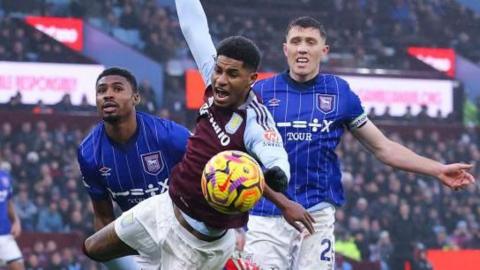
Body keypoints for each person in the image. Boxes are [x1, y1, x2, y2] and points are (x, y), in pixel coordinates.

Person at [173, 3, 476, 269]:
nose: (302, 48)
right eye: (296, 41)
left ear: (323, 50)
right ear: (285, 49)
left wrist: (437, 169)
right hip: (267, 215)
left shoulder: (339, 92)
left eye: (310, 42)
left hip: (316, 216)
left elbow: (382, 148)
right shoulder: (259, 93)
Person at [82, 28, 315, 269]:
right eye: (219, 70)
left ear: (251, 79)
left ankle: (230, 262)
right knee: (94, 248)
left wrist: (280, 181)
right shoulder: (213, 85)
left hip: (196, 244)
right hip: (163, 209)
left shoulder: (254, 121)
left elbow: (274, 153)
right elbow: (195, 31)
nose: (221, 79)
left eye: (233, 74)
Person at [77, 67, 190, 269]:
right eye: (101, 91)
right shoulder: (89, 153)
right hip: (143, 236)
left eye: (117, 89)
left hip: (184, 227)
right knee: (92, 246)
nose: (108, 94)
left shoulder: (170, 135)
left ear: (136, 98)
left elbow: (211, 176)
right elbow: (103, 217)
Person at [0, 169, 25, 270]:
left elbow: (8, 202)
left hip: (5, 233)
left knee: (18, 266)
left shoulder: (5, 177)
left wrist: (16, 221)